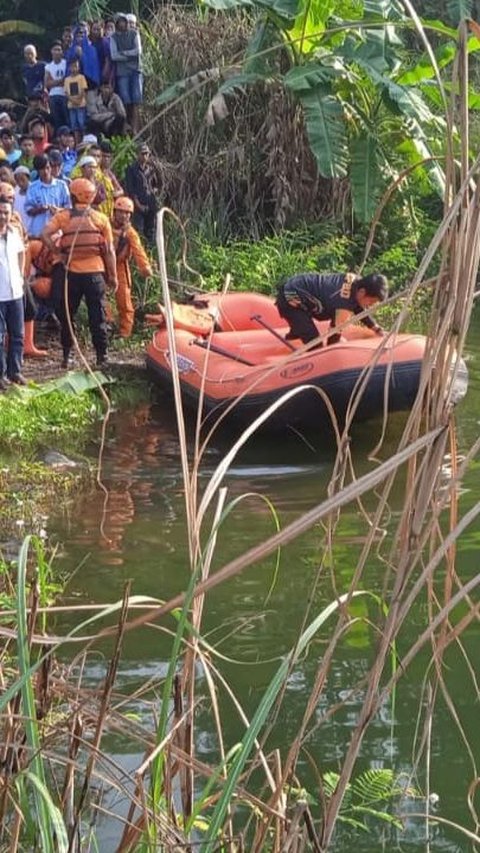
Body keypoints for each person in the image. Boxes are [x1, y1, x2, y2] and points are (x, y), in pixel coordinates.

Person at [41, 177, 118, 368]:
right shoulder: (100, 219)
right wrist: (113, 276)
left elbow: (44, 235)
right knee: (97, 316)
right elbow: (109, 251)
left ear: (73, 195)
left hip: (71, 273)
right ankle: (102, 357)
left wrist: (57, 251)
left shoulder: (64, 216)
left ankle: (67, 356)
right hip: (95, 275)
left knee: (68, 315)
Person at [275, 272, 388, 346]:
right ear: (362, 292)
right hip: (291, 298)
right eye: (371, 301)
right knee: (316, 346)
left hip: (299, 289)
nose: (371, 305)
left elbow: (358, 308)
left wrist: (375, 328)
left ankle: (296, 333)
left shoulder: (356, 281)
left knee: (305, 328)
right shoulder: (343, 305)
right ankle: (298, 334)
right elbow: (333, 337)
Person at [111, 196, 153, 336]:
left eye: (127, 213)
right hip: (103, 266)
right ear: (115, 212)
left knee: (125, 302)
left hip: (120, 267)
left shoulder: (130, 233)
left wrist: (145, 267)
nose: (124, 216)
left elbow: (138, 250)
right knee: (100, 299)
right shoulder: (105, 225)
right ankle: (107, 327)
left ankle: (124, 334)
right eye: (121, 212)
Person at [0, 194, 26, 388]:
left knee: (17, 334)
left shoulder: (14, 233)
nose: (3, 216)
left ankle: (15, 371)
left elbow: (21, 253)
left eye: (6, 212)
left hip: (15, 292)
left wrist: (21, 277)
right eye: (0, 212)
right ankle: (1, 375)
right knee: (0, 337)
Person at [110, 13, 143, 134]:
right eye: (119, 22)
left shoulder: (134, 34)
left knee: (136, 101)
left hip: (136, 71)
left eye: (123, 21)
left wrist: (124, 53)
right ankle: (126, 129)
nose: (122, 24)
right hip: (122, 72)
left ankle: (135, 130)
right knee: (125, 101)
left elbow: (138, 51)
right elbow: (114, 55)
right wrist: (129, 55)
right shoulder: (113, 38)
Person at [25, 153, 71, 238]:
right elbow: (28, 210)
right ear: (37, 170)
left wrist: (58, 210)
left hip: (57, 232)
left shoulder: (61, 185)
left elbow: (69, 208)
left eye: (47, 168)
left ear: (51, 167)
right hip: (38, 231)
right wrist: (40, 209)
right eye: (42, 169)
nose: (45, 172)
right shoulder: (32, 187)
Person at [125, 143, 158, 244]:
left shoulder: (151, 169)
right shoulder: (131, 169)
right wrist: (138, 205)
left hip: (150, 205)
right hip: (138, 206)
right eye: (143, 153)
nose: (145, 156)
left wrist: (154, 195)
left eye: (147, 154)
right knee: (138, 233)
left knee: (150, 232)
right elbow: (130, 190)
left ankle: (150, 256)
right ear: (137, 154)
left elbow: (155, 185)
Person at [45, 42, 69, 132]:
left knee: (67, 118)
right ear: (51, 51)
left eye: (59, 50)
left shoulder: (66, 63)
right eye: (55, 49)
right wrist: (60, 81)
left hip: (65, 94)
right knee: (56, 120)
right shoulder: (48, 66)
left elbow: (67, 79)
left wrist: (54, 81)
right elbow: (47, 83)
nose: (57, 52)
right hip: (53, 95)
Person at [64, 58, 89, 142]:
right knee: (74, 125)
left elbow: (83, 90)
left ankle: (84, 140)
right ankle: (76, 142)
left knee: (82, 124)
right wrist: (73, 101)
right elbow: (66, 93)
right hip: (71, 106)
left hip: (81, 105)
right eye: (72, 66)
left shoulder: (81, 77)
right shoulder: (67, 79)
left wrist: (78, 100)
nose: (74, 68)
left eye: (76, 66)